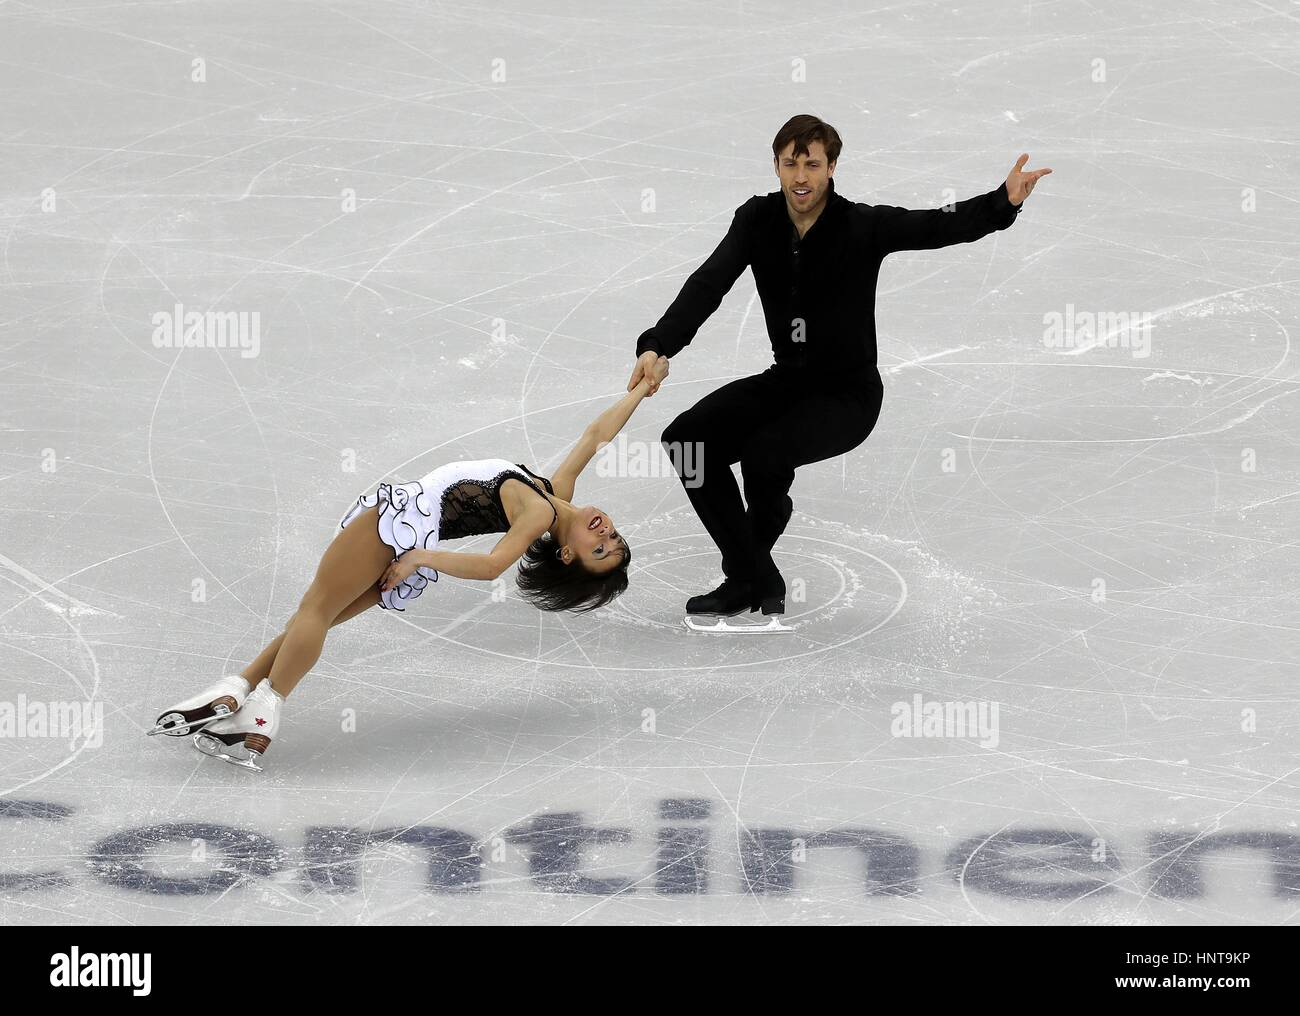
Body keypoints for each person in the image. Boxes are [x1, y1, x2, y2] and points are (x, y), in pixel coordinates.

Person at [149, 354, 671, 770]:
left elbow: (492, 567)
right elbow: (595, 436)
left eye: (600, 552)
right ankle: (237, 690)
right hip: (410, 540)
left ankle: (262, 712)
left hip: (399, 527)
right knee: (318, 616)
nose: (607, 533)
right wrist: (639, 392)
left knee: (313, 610)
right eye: (615, 538)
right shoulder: (553, 492)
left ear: (566, 553)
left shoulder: (537, 512)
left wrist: (420, 555)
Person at [627, 114, 1050, 620]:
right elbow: (709, 283)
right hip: (787, 381)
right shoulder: (756, 220)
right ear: (776, 167)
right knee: (688, 440)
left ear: (832, 168)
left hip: (847, 398)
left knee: (765, 455)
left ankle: (747, 573)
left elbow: (937, 224)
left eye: (812, 164)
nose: (800, 177)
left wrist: (1002, 201)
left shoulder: (861, 226)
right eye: (790, 164)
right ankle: (753, 570)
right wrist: (659, 344)